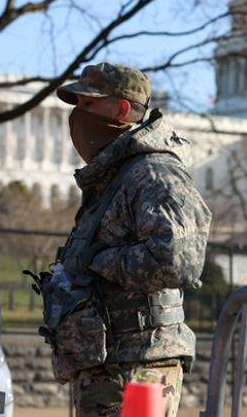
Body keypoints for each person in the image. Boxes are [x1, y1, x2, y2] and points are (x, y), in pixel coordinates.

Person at [29, 62, 211, 417]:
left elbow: (178, 259)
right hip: (107, 361)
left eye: (88, 104)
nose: (77, 116)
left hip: (140, 364)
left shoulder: (153, 172)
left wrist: (98, 262)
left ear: (122, 109)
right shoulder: (114, 176)